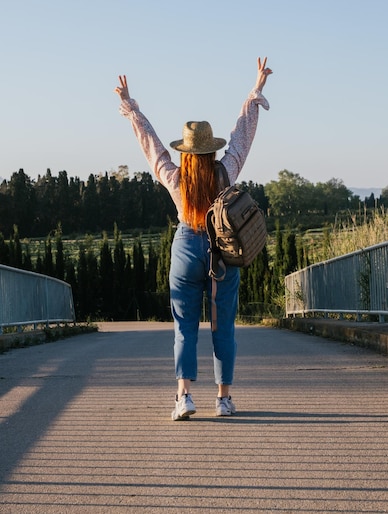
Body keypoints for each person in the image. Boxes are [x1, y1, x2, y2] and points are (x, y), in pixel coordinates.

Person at [114, 57, 272, 420]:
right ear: (211, 150)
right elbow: (242, 137)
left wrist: (131, 107)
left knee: (184, 326)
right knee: (223, 326)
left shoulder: (176, 179)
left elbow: (152, 148)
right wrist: (256, 91)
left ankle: (184, 396)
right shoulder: (226, 170)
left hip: (186, 246)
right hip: (222, 250)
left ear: (185, 153)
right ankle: (224, 399)